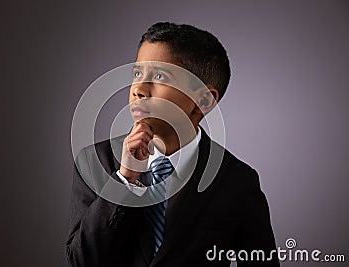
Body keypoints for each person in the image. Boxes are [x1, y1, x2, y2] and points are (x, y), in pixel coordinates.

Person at [65, 22, 280, 267]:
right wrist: (125, 179)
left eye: (159, 76)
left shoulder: (237, 182)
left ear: (203, 100)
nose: (138, 89)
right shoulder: (95, 161)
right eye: (137, 74)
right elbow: (81, 262)